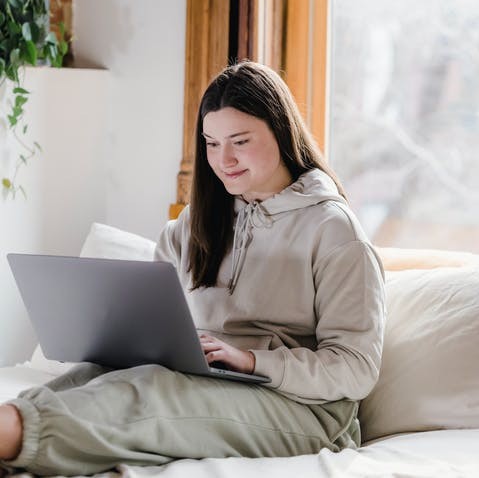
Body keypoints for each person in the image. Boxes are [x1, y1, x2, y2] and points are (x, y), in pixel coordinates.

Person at [0, 61, 385, 476]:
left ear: (281, 131)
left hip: (308, 413)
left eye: (240, 141)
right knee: (100, 372)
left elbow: (355, 368)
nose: (225, 160)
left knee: (155, 391)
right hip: (213, 380)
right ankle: (13, 427)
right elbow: (158, 326)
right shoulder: (195, 222)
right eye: (212, 143)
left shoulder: (333, 229)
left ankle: (16, 435)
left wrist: (252, 361)